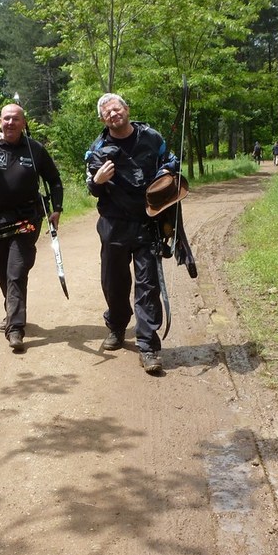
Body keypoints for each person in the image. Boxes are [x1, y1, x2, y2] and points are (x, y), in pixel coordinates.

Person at [85, 93, 179, 375]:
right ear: (103, 120)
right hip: (113, 223)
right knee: (113, 281)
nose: (113, 114)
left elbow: (171, 162)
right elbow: (92, 185)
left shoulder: (151, 137)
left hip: (147, 221)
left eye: (116, 109)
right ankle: (116, 326)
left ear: (126, 109)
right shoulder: (98, 148)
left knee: (148, 285)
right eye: (107, 113)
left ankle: (148, 346)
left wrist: (164, 175)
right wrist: (98, 180)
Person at [0, 103, 63, 353]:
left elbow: (54, 180)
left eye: (16, 119)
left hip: (27, 220)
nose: (11, 123)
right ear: (0, 121)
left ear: (23, 122)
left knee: (16, 271)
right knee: (1, 269)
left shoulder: (35, 149)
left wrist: (57, 209)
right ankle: (12, 310)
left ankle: (16, 328)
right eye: (6, 119)